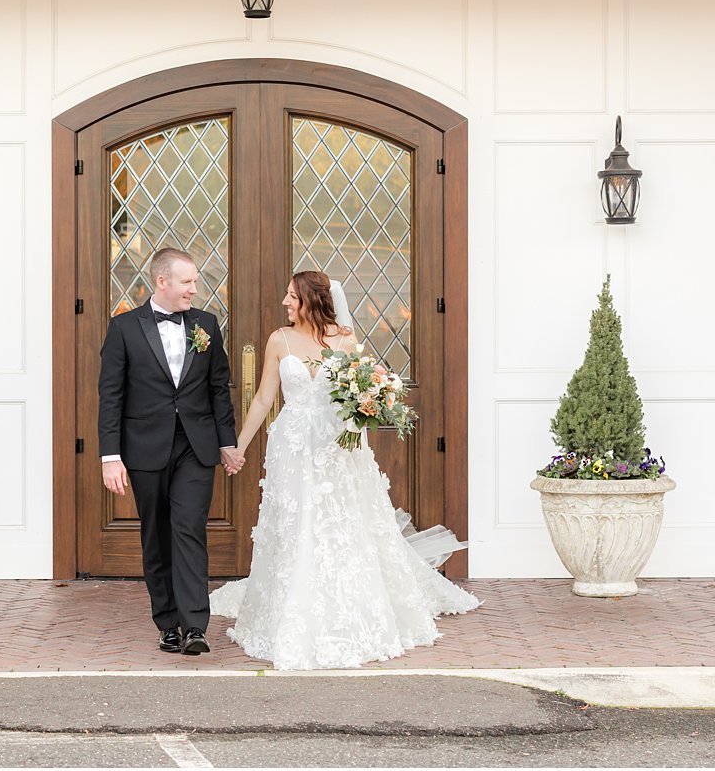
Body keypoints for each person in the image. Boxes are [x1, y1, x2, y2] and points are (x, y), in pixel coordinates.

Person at [209, 270, 479, 670]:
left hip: (338, 446)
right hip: (295, 445)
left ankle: (345, 609)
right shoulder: (278, 340)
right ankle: (290, 609)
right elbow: (266, 397)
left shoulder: (346, 338)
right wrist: (239, 448)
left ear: (312, 300)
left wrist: (361, 414)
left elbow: (364, 392)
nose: (285, 303)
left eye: (292, 297)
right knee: (297, 524)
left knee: (339, 524)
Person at [97, 247, 243, 656]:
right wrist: (111, 456)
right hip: (144, 448)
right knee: (156, 535)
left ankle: (196, 625)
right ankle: (168, 624)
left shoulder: (207, 325)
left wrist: (227, 443)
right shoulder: (124, 328)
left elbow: (218, 390)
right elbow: (111, 396)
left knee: (189, 529)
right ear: (162, 281)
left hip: (195, 447)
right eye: (187, 282)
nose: (194, 290)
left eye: (194, 282)